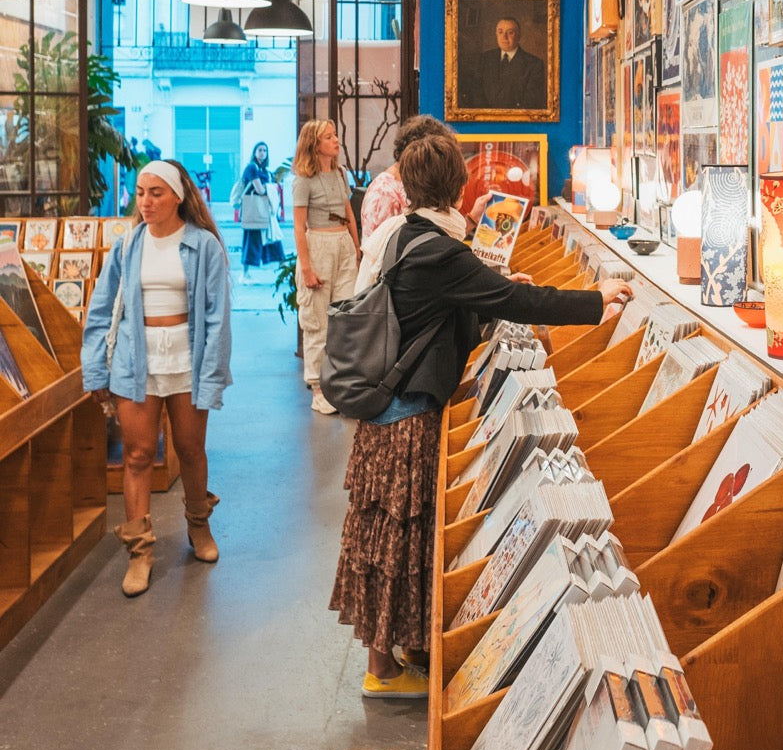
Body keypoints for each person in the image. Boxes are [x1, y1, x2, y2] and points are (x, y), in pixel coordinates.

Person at [330, 133, 632, 698]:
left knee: (392, 541)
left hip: (386, 415)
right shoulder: (443, 251)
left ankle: (404, 652)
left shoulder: (406, 235)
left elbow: (440, 314)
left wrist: (493, 292)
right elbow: (519, 303)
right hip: (404, 419)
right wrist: (596, 299)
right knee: (398, 541)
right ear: (460, 186)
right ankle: (383, 672)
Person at [81, 160, 232, 597]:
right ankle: (139, 551)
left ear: (178, 197)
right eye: (140, 193)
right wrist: (95, 369)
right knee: (138, 454)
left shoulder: (203, 246)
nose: (145, 202)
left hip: (187, 359)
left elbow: (218, 318)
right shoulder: (128, 245)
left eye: (156, 193)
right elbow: (100, 310)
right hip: (136, 361)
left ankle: (199, 526)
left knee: (190, 449)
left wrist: (212, 376)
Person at [292, 119, 360, 415]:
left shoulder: (340, 173)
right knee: (317, 320)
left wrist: (356, 248)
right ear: (314, 144)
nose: (336, 141)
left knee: (344, 317)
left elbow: (349, 213)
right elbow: (298, 226)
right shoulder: (303, 180)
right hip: (318, 244)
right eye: (329, 137)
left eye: (335, 135)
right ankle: (318, 387)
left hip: (343, 243)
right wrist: (307, 268)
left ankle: (340, 383)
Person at [463, 15, 548, 111]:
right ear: (496, 34)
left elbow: (531, 103)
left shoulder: (534, 64)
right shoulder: (485, 58)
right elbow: (476, 94)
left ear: (519, 36)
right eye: (500, 32)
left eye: (510, 32)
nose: (504, 37)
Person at [236, 141, 279, 270]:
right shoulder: (252, 167)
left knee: (273, 238)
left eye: (265, 150)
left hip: (263, 209)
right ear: (254, 152)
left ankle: (283, 268)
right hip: (253, 208)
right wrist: (270, 188)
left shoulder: (265, 171)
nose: (262, 153)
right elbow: (259, 189)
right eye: (260, 150)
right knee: (251, 240)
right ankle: (244, 274)